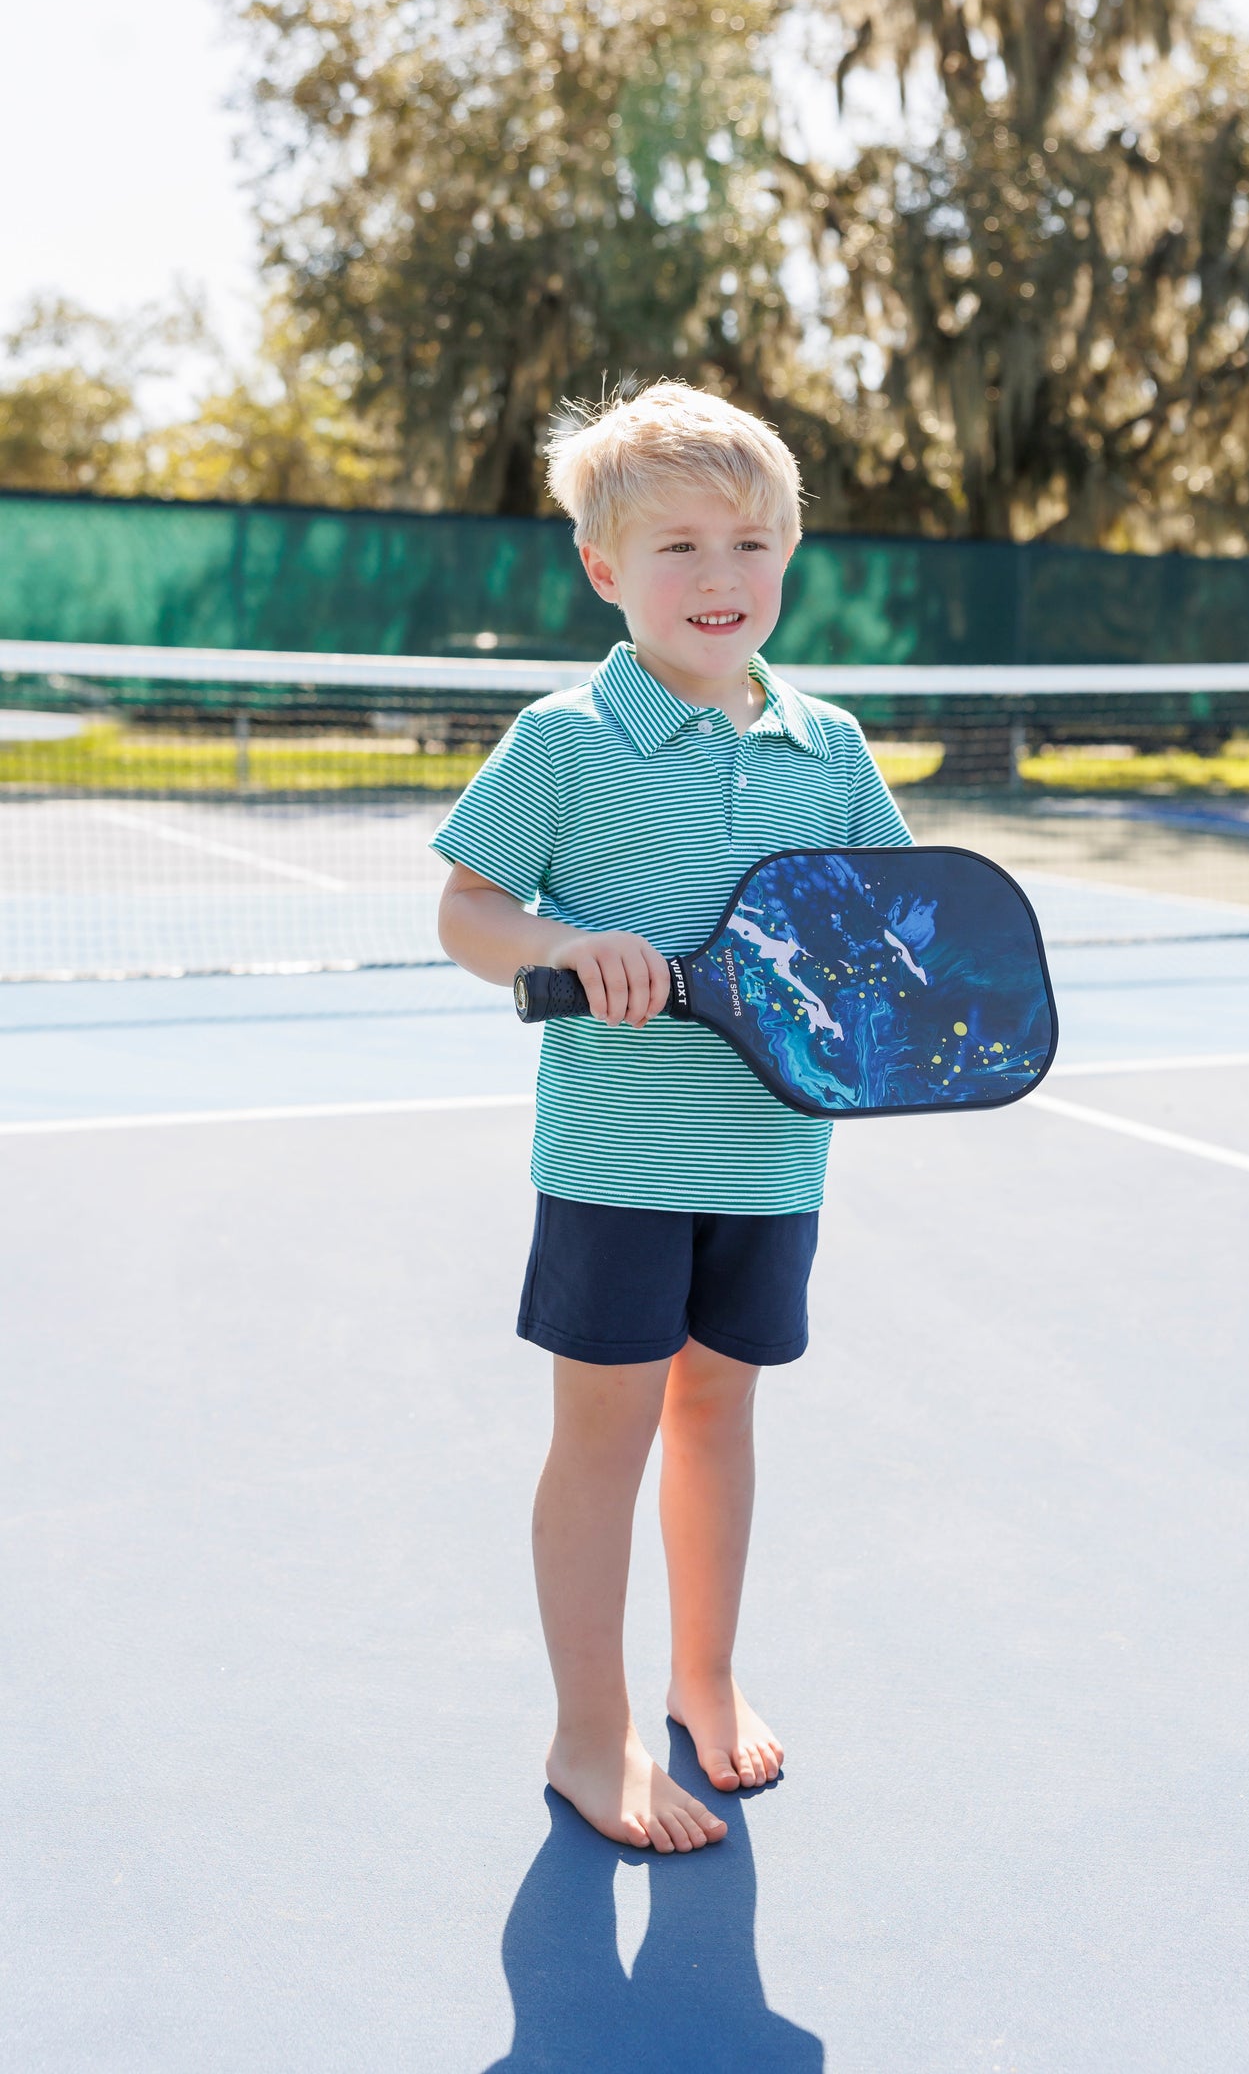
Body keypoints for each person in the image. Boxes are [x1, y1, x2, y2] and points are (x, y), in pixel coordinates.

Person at [434, 381, 910, 1854]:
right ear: (604, 571)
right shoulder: (563, 741)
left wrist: (888, 988)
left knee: (720, 1409)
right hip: (616, 1164)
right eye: (681, 550)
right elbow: (467, 909)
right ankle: (593, 1732)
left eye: (752, 545)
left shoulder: (827, 745)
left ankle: (702, 1679)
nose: (722, 580)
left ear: (787, 557)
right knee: (607, 1437)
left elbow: (890, 923)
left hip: (773, 1154)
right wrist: (562, 948)